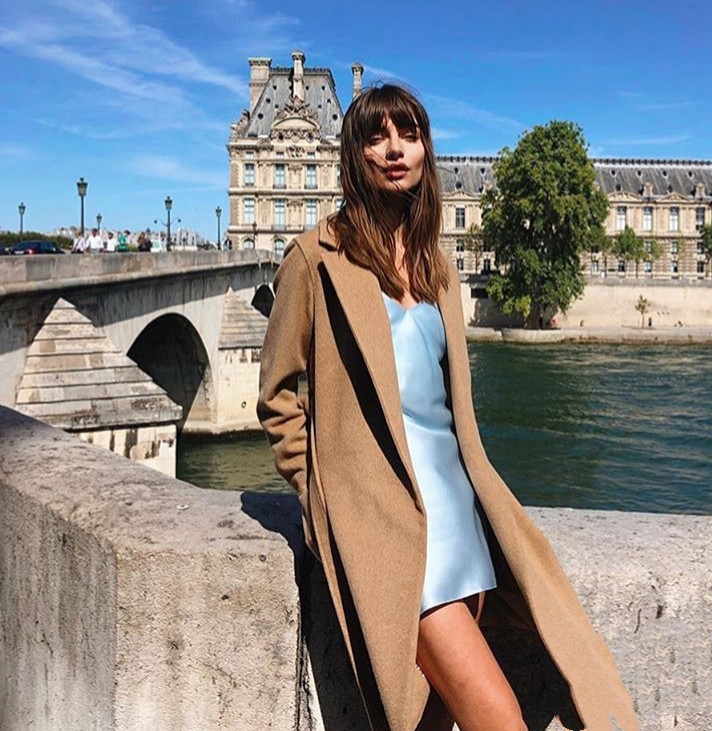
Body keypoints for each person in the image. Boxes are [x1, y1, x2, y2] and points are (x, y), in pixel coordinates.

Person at [257, 84, 638, 731]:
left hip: (460, 515)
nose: (395, 149)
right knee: (501, 720)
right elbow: (276, 397)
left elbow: (445, 406)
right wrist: (324, 493)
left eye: (408, 135)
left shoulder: (437, 265)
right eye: (377, 136)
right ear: (355, 153)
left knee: (434, 721)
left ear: (425, 150)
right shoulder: (316, 259)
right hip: (388, 528)